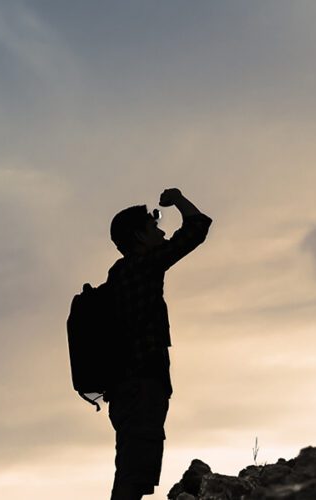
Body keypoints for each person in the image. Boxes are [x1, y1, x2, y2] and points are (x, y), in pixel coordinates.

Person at [99, 188, 211, 499]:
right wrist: (177, 198)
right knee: (133, 476)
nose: (161, 231)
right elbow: (196, 228)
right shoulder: (142, 267)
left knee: (131, 470)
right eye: (153, 227)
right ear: (139, 237)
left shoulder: (118, 275)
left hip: (126, 391)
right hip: (141, 387)